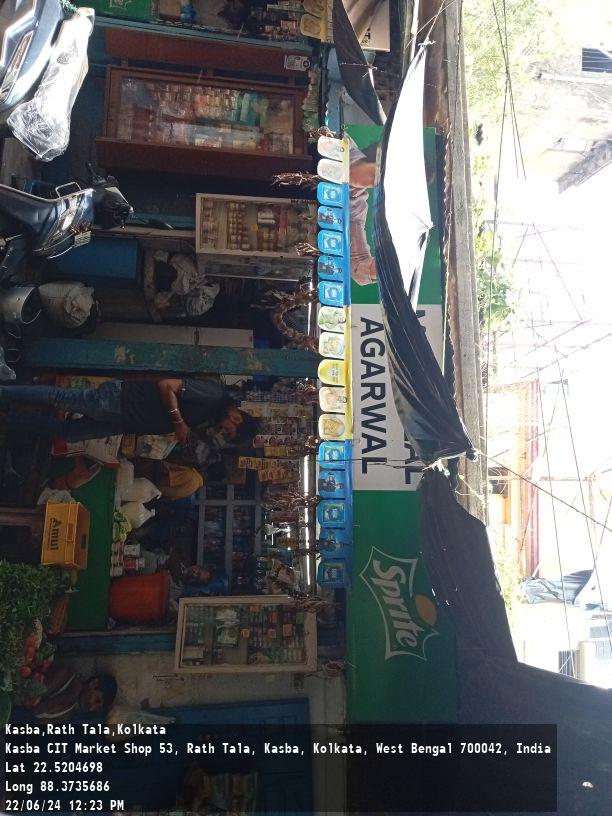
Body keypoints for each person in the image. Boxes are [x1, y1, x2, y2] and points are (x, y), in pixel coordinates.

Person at [0, 378, 259, 445]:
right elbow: (166, 386)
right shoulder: (213, 394)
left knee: (67, 433)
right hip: (122, 401)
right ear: (237, 418)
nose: (224, 431)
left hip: (123, 421)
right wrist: (179, 422)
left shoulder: (210, 415)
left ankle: (9, 420)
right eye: (230, 431)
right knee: (61, 398)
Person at [30, 667, 117, 723]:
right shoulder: (64, 675)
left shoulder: (68, 714)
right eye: (97, 700)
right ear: (93, 684)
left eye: (96, 709)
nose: (91, 708)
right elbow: (32, 698)